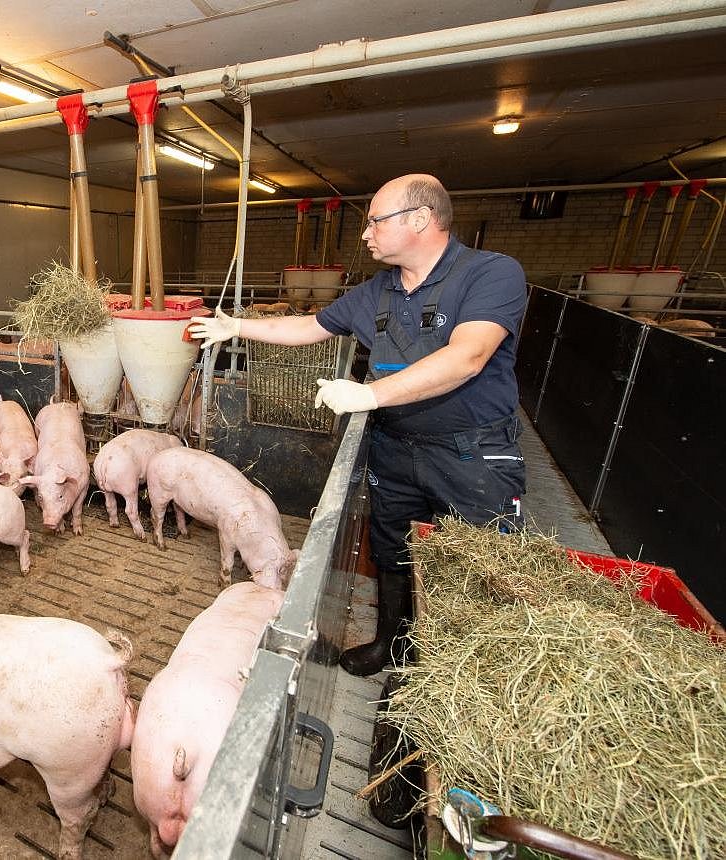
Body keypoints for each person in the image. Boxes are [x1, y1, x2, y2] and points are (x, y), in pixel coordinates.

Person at [188, 174, 527, 677]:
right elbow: (310, 326)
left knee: (477, 570)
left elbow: (468, 356)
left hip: (470, 452)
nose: (365, 234)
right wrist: (236, 326)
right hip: (395, 446)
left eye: (374, 221)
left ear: (419, 219)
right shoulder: (379, 290)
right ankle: (393, 646)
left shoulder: (491, 274)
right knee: (393, 550)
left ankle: (465, 679)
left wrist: (369, 394)